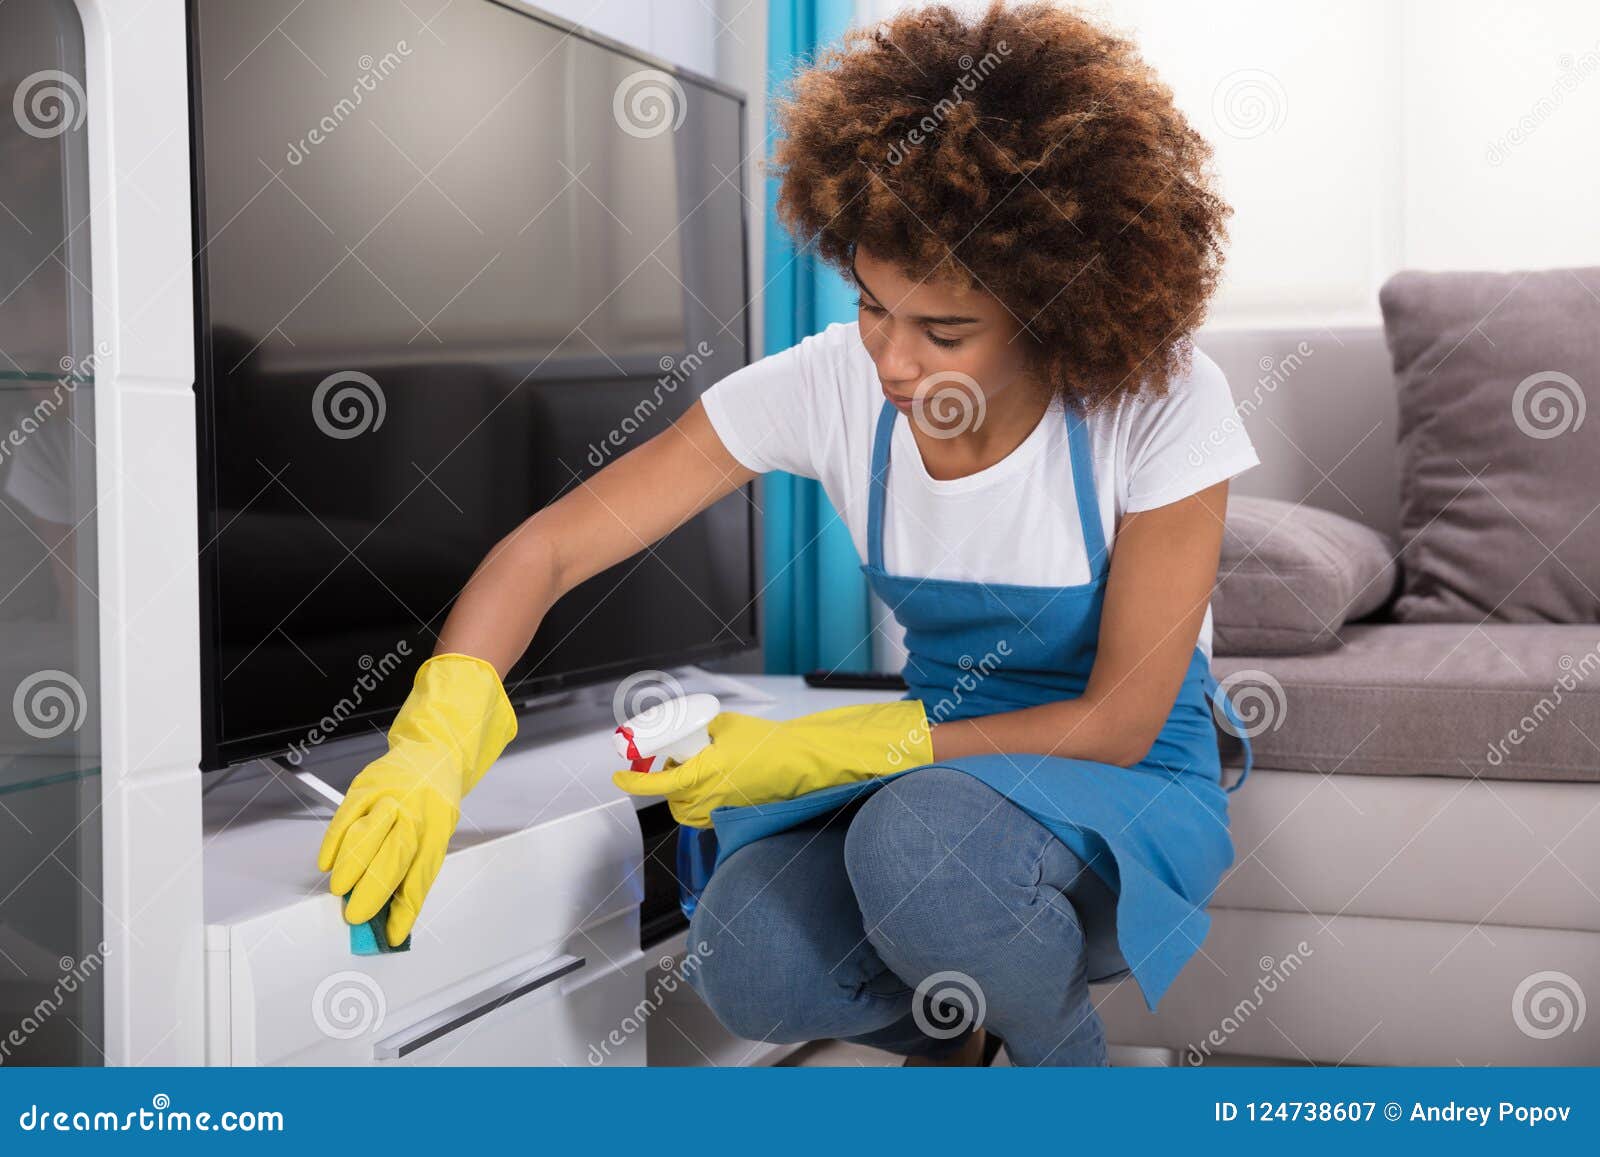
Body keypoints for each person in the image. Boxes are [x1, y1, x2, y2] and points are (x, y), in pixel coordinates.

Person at [315, 0, 1259, 1067]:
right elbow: (551, 547)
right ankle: (962, 1028)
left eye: (944, 330)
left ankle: (1065, 1068)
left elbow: (1118, 718)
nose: (893, 362)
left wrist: (830, 743)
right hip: (935, 774)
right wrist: (437, 735)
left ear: (1053, 309)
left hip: (1115, 775)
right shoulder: (829, 385)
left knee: (924, 844)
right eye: (870, 306)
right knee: (749, 951)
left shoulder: (1156, 399)